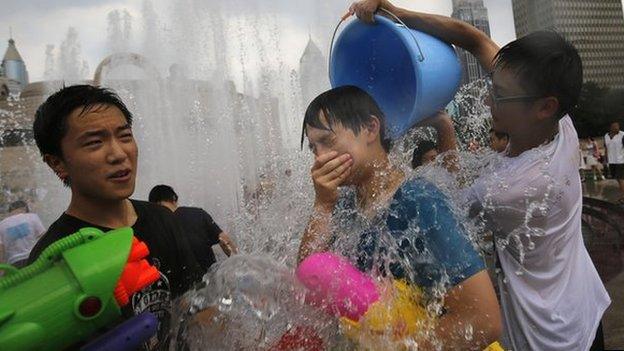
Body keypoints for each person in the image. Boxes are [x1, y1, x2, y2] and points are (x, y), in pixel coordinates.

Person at [347, 1, 610, 350]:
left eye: (499, 95)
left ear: (544, 106)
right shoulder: (562, 125)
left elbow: (446, 203)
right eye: (491, 85)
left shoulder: (519, 189)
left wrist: (443, 126)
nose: (488, 101)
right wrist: (395, 12)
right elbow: (474, 39)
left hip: (550, 336)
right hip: (585, 308)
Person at [298, 86, 501, 349]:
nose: (320, 158)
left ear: (371, 129)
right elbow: (308, 275)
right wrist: (322, 206)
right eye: (314, 148)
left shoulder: (418, 202)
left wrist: (395, 347)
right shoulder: (344, 204)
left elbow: (484, 320)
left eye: (328, 141)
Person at [28, 85, 203, 350]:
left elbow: (194, 303)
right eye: (95, 142)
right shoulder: (52, 259)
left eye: (125, 136)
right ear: (57, 163)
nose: (119, 154)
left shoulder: (162, 218)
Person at [148, 184, 237, 272]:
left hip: (177, 283)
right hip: (208, 280)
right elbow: (224, 241)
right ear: (174, 199)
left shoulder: (154, 227)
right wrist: (237, 264)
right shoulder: (198, 214)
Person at [0, 200, 45, 268]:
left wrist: (1, 269)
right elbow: (44, 237)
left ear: (10, 211)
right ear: (25, 208)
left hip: (14, 263)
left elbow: (1, 250)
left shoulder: (2, 224)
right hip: (34, 257)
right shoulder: (32, 217)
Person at [604, 121, 624, 203]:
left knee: (621, 178)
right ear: (611, 127)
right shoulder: (606, 136)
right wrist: (605, 160)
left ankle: (623, 197)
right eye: (615, 126)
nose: (617, 128)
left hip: (621, 160)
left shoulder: (622, 135)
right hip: (612, 161)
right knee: (618, 179)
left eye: (618, 126)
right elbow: (606, 148)